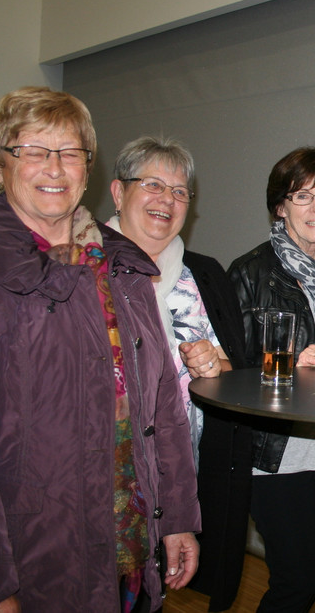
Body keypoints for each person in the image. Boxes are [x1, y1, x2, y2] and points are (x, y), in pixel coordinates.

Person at [0, 87, 200, 612]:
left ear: (87, 169)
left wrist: (178, 517)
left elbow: (162, 407)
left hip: (127, 547)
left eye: (70, 152)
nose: (54, 167)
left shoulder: (125, 269)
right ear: (0, 165)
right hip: (27, 563)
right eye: (33, 150)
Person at [227, 146, 315, 613]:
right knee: (295, 583)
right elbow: (230, 372)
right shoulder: (250, 273)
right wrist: (289, 362)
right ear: (280, 207)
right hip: (279, 454)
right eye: (302, 196)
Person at [108, 136, 246, 467]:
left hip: (190, 466)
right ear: (118, 193)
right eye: (153, 185)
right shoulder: (86, 272)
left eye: (180, 192)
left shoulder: (206, 275)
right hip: (109, 468)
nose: (167, 199)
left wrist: (212, 366)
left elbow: (234, 373)